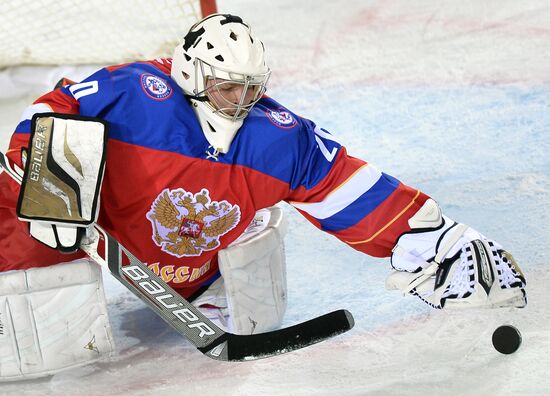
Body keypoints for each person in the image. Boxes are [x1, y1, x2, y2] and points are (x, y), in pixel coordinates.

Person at [0, 13, 526, 380]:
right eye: (230, 87)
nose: (243, 101)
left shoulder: (277, 135)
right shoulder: (134, 92)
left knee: (204, 229)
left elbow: (345, 187)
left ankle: (203, 283)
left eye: (252, 88)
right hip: (85, 214)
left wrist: (436, 240)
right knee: (25, 256)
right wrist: (51, 189)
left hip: (164, 252)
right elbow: (57, 108)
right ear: (192, 73)